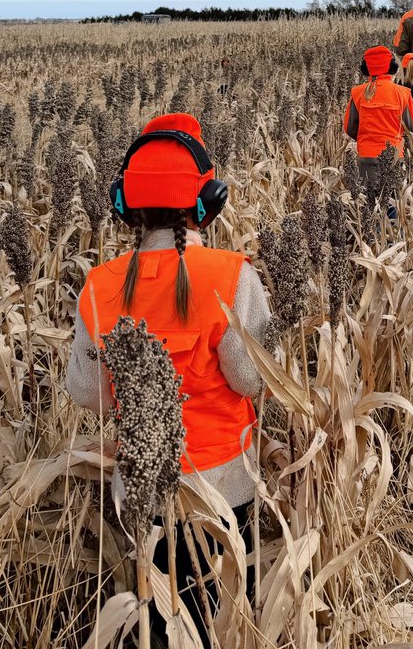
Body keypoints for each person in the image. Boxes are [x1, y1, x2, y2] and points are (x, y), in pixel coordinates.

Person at [65, 112, 270, 645]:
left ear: (123, 205)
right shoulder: (230, 275)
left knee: (156, 616)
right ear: (209, 201)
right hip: (223, 487)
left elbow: (87, 393)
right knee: (220, 614)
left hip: (139, 489)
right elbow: (251, 380)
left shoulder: (97, 285)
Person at [343, 45, 413, 214]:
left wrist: (366, 137)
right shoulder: (403, 93)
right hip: (394, 157)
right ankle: (389, 238)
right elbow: (412, 127)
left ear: (365, 69)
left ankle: (370, 237)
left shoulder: (357, 93)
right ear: (392, 68)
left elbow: (349, 127)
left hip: (366, 158)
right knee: (391, 204)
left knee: (368, 204)